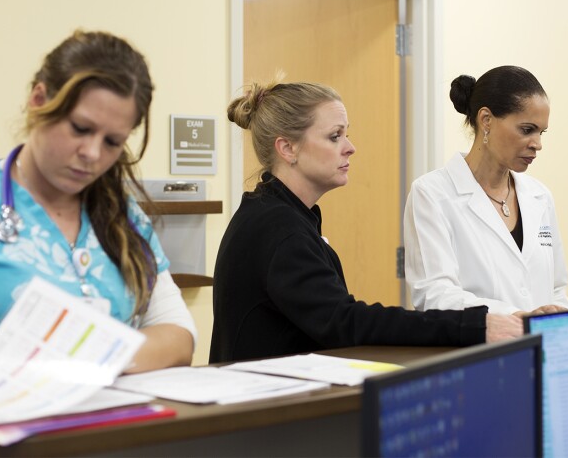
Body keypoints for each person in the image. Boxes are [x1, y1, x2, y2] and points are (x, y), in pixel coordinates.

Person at [0, 30, 196, 391]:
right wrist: (27, 368)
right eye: (80, 129)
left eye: (113, 142)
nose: (93, 154)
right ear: (39, 100)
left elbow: (177, 334)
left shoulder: (121, 216)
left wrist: (99, 359)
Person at [209, 79, 523, 364]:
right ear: (288, 148)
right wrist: (474, 325)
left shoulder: (277, 214)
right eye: (334, 136)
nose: (350, 147)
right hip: (261, 414)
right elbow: (345, 322)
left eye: (346, 133)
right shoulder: (278, 228)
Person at [403, 65, 568, 317]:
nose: (537, 144)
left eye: (541, 132)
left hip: (540, 346)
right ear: (486, 120)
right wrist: (514, 317)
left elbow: (557, 287)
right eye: (527, 130)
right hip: (479, 348)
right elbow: (434, 294)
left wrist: (559, 318)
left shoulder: (540, 196)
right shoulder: (432, 194)